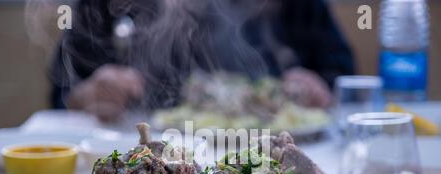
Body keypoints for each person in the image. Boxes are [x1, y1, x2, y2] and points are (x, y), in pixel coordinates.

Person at [51, 0, 355, 121]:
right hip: (143, 153)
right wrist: (87, 94)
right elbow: (61, 93)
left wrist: (320, 86)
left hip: (275, 148)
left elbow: (343, 73)